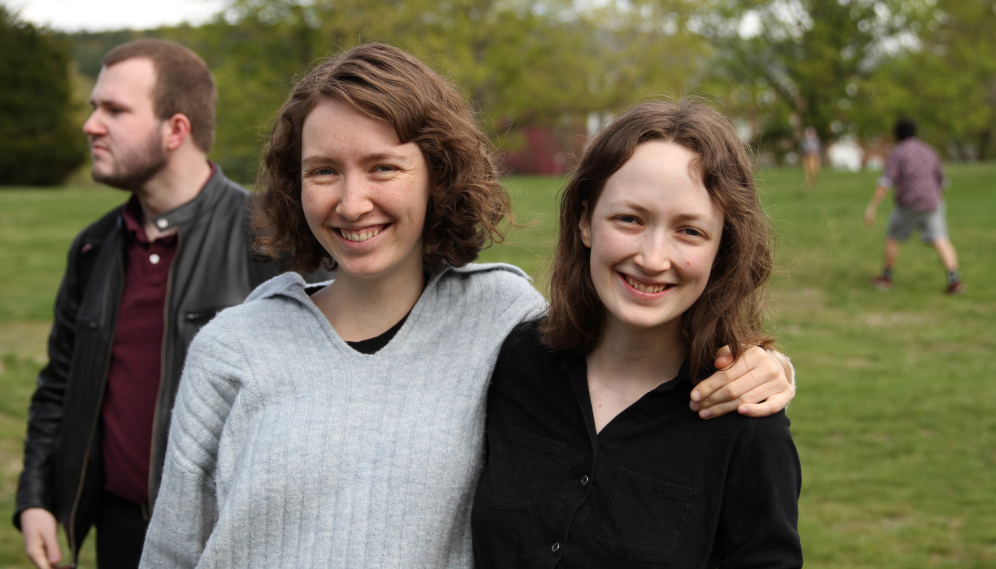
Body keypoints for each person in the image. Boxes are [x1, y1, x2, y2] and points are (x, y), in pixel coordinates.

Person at [139, 44, 796, 568]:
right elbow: (171, 548)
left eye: (384, 168)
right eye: (323, 171)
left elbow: (624, 330)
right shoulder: (233, 346)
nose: (351, 201)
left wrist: (761, 363)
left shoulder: (499, 318)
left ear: (436, 173)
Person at [473, 100, 802, 568]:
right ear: (586, 221)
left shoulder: (745, 423)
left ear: (721, 249)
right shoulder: (518, 360)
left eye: (688, 231)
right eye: (630, 219)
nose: (652, 258)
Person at [14, 40, 292, 569]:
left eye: (114, 110)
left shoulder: (272, 240)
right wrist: (37, 498)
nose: (91, 124)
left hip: (235, 540)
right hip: (119, 535)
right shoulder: (94, 248)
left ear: (176, 130)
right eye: (95, 107)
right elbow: (59, 385)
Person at [864, 119, 963, 294]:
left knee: (893, 236)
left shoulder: (898, 153)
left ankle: (886, 278)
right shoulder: (929, 150)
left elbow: (885, 182)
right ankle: (954, 280)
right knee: (940, 238)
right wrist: (934, 199)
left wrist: (871, 207)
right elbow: (943, 181)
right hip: (933, 202)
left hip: (909, 204)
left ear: (897, 134)